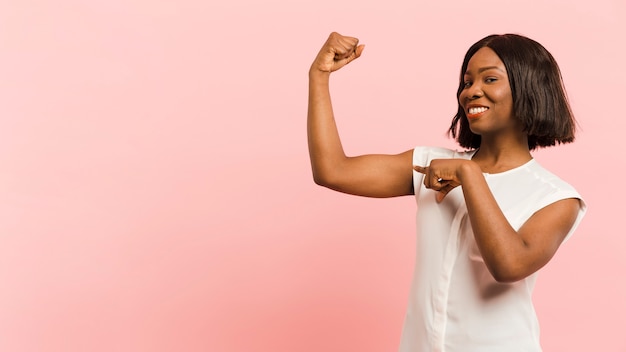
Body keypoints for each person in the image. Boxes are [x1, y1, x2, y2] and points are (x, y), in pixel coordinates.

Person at [307, 32, 586, 352]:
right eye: (467, 82)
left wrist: (469, 175)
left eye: (489, 79)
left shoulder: (555, 198)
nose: (471, 91)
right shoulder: (430, 164)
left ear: (530, 88)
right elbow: (332, 171)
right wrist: (319, 76)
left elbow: (509, 266)